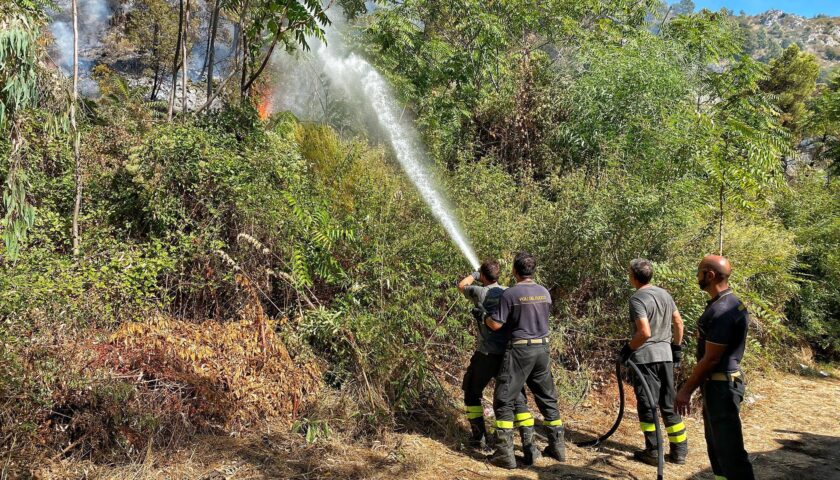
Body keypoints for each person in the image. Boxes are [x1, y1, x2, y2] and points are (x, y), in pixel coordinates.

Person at [675, 255, 755, 480]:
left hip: (722, 387)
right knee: (718, 450)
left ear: (710, 275)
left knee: (730, 453)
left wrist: (685, 391)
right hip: (717, 385)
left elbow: (710, 359)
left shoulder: (723, 311)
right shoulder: (726, 303)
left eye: (699, 272)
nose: (697, 276)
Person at [485, 252, 564, 469]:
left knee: (504, 399)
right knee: (547, 398)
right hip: (542, 350)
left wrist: (483, 315)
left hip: (520, 351)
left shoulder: (511, 294)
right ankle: (558, 448)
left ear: (514, 270)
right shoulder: (544, 293)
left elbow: (496, 324)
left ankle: (504, 454)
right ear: (533, 271)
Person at [457, 260, 533, 456]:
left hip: (486, 355)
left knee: (472, 392)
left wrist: (475, 274)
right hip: (509, 355)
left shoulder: (479, 292)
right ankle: (528, 445)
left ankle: (478, 438)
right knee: (517, 398)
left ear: (484, 276)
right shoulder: (509, 292)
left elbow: (461, 286)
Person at [619, 258, 688, 465]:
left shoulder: (637, 299)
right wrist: (676, 348)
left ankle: (653, 451)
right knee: (669, 404)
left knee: (647, 405)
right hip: (666, 356)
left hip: (645, 360)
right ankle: (679, 452)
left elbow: (644, 333)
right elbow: (678, 323)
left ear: (633, 277)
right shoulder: (664, 294)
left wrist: (627, 349)